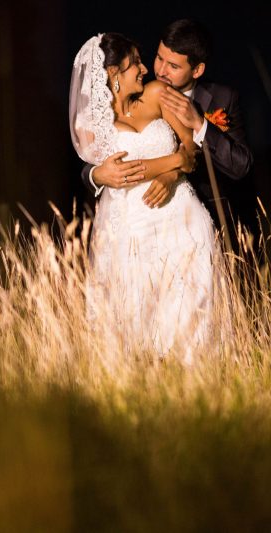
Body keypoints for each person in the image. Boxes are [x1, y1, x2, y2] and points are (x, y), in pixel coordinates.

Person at [69, 32, 222, 362]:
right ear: (113, 74)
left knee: (187, 315)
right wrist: (171, 161)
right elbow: (121, 174)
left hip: (180, 217)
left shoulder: (156, 94)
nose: (144, 69)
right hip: (127, 227)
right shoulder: (92, 124)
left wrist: (173, 172)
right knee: (132, 321)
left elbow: (191, 149)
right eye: (135, 63)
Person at [81, 20, 253, 222]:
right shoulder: (138, 90)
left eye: (173, 66)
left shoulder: (223, 98)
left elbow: (241, 166)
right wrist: (96, 175)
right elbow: (93, 155)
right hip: (140, 216)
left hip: (209, 215)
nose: (160, 70)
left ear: (197, 70)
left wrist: (200, 124)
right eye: (159, 58)